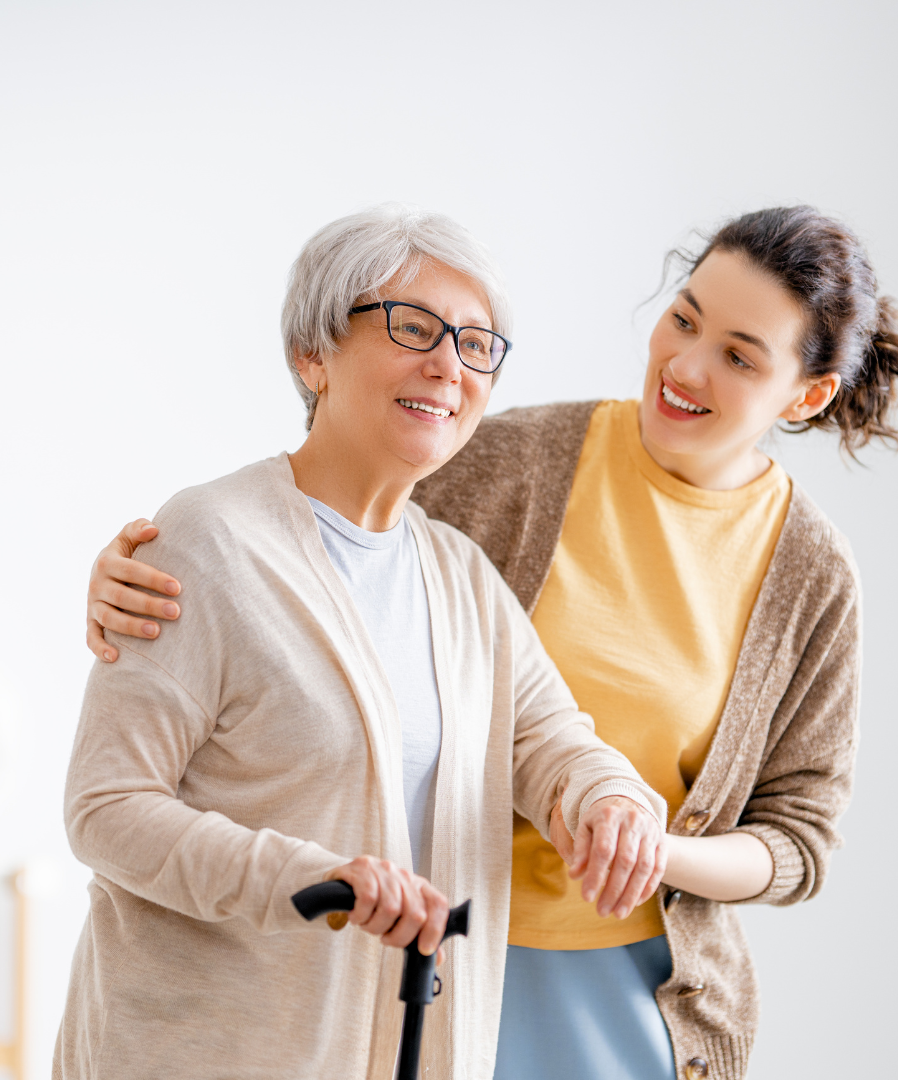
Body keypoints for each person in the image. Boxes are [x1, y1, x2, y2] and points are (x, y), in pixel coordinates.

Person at [85, 205, 897, 1080]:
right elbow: (294, 538)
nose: (688, 364)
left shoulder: (469, 572)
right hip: (342, 977)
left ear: (807, 394)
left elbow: (551, 737)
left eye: (740, 356)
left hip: (550, 978)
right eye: (685, 317)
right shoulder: (495, 458)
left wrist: (626, 819)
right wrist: (141, 565)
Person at [55, 205, 667, 1080]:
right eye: (413, 327)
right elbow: (106, 807)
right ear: (314, 353)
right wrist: (319, 880)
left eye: (476, 344)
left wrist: (612, 803)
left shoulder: (461, 579)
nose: (448, 364)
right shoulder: (208, 541)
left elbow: (553, 742)